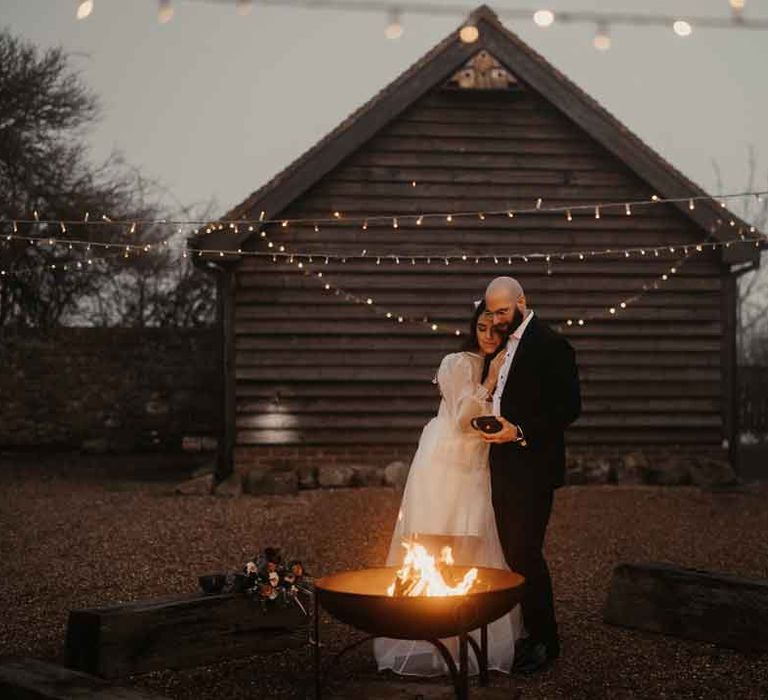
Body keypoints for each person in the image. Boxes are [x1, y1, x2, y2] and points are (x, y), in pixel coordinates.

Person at [373, 299, 524, 677]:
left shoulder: (504, 364)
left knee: (472, 545)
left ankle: (467, 644)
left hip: (477, 463)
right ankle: (421, 638)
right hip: (444, 461)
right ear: (471, 329)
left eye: (497, 330)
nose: (489, 337)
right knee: (435, 542)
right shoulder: (456, 362)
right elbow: (462, 418)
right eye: (481, 328)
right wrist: (490, 381)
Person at [480, 276, 581, 674]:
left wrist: (519, 431)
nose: (498, 319)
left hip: (533, 464)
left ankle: (545, 640)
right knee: (509, 551)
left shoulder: (552, 344)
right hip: (501, 462)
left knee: (526, 551)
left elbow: (568, 408)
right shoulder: (500, 342)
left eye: (504, 311)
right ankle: (524, 630)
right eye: (492, 312)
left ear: (522, 301)